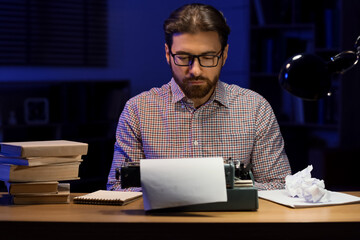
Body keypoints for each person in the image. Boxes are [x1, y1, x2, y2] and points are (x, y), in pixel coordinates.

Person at [107, 3, 291, 191]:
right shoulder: (138, 110)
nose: (195, 70)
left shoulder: (255, 108)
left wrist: (215, 190)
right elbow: (118, 188)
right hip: (162, 220)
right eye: (184, 57)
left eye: (208, 57)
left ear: (224, 54)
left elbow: (279, 186)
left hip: (233, 220)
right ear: (167, 54)